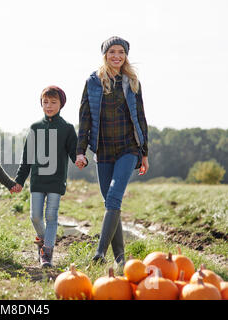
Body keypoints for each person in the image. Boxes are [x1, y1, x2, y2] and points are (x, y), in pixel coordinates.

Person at [75, 36, 149, 267]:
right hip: (103, 150)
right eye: (112, 52)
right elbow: (84, 118)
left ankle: (99, 254)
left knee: (114, 198)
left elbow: (141, 118)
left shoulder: (132, 82)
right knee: (110, 203)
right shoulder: (93, 82)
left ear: (126, 55)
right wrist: (81, 151)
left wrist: (144, 152)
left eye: (121, 52)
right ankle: (121, 259)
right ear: (105, 54)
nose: (117, 56)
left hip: (128, 148)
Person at [12, 86, 78, 268]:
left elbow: (75, 153)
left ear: (61, 104)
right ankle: (44, 240)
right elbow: (27, 158)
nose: (49, 105)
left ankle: (47, 253)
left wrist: (81, 159)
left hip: (56, 180)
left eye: (53, 102)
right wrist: (19, 180)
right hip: (38, 180)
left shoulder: (67, 128)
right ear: (41, 103)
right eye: (45, 102)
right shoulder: (35, 128)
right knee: (35, 217)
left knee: (51, 216)